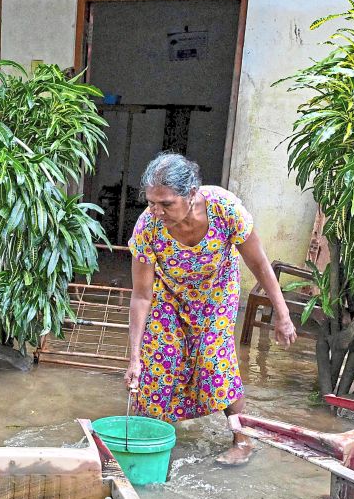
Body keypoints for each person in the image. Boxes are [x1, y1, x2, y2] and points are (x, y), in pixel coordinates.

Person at [124, 152, 296, 466]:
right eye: (151, 202)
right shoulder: (147, 227)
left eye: (166, 204)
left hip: (216, 292)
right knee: (159, 361)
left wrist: (282, 314)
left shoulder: (225, 209)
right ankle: (154, 436)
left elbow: (258, 264)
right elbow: (141, 296)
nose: (156, 211)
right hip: (168, 294)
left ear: (191, 194)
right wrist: (135, 355)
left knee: (215, 359)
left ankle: (242, 438)